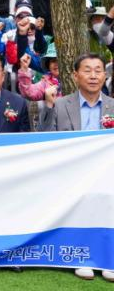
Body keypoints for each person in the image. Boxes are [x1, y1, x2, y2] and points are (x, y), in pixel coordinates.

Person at [37, 53, 114, 282]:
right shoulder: (61, 104)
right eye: (87, 70)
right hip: (71, 176)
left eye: (98, 70)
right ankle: (81, 257)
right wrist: (48, 106)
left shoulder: (112, 106)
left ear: (104, 75)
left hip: (107, 175)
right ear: (75, 75)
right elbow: (44, 140)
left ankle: (108, 259)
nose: (93, 76)